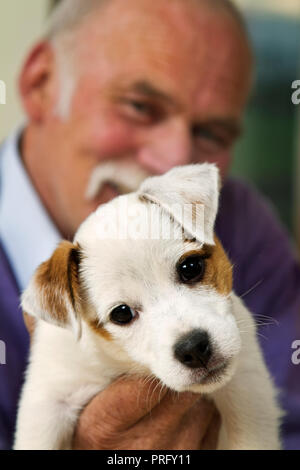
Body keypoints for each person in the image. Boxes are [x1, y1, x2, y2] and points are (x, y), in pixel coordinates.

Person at [0, 0, 299, 450]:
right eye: (141, 106)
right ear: (41, 83)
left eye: (211, 133)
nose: (174, 157)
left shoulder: (241, 223)